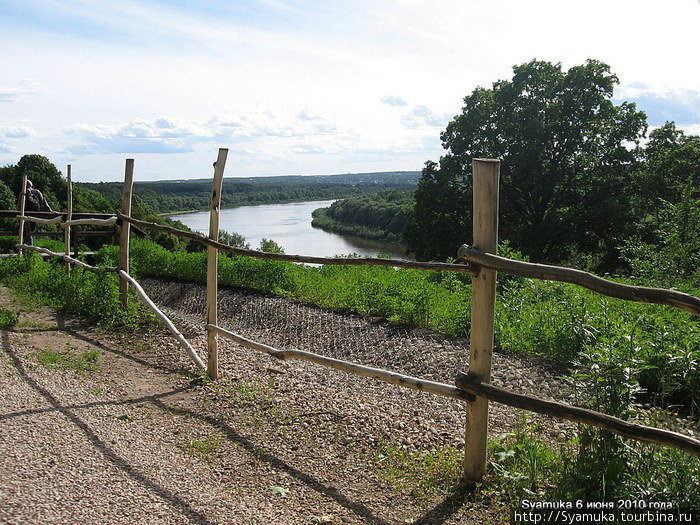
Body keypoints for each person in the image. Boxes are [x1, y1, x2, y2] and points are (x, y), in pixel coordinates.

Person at [21, 180, 53, 245]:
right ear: (31, 185)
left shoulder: (23, 192)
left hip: (25, 214)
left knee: (25, 231)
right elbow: (44, 202)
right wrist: (50, 210)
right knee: (31, 231)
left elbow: (20, 205)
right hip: (35, 215)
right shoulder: (37, 192)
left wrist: (18, 214)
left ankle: (28, 247)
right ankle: (29, 247)